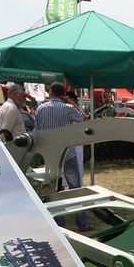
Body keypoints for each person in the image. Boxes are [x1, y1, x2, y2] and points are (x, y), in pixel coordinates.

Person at [35, 82, 91, 231]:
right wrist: (71, 102)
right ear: (63, 94)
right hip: (68, 153)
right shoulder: (68, 108)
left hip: (50, 155)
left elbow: (37, 133)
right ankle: (82, 223)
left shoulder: (40, 109)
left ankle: (60, 225)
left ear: (51, 92)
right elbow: (85, 119)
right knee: (76, 190)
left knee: (54, 191)